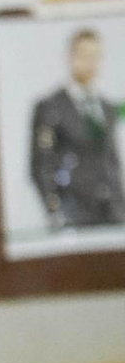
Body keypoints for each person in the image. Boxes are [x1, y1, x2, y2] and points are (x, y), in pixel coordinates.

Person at [29, 27, 124, 229]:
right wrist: (55, 210)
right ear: (71, 57)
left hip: (112, 212)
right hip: (74, 212)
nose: (90, 63)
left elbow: (112, 160)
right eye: (84, 55)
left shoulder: (106, 109)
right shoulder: (51, 107)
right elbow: (41, 164)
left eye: (95, 56)